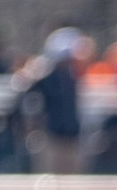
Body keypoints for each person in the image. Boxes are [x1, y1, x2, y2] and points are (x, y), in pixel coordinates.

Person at [26, 26, 87, 174]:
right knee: (50, 182)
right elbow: (31, 104)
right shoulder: (44, 80)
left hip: (72, 137)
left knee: (73, 183)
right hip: (51, 137)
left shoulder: (73, 79)